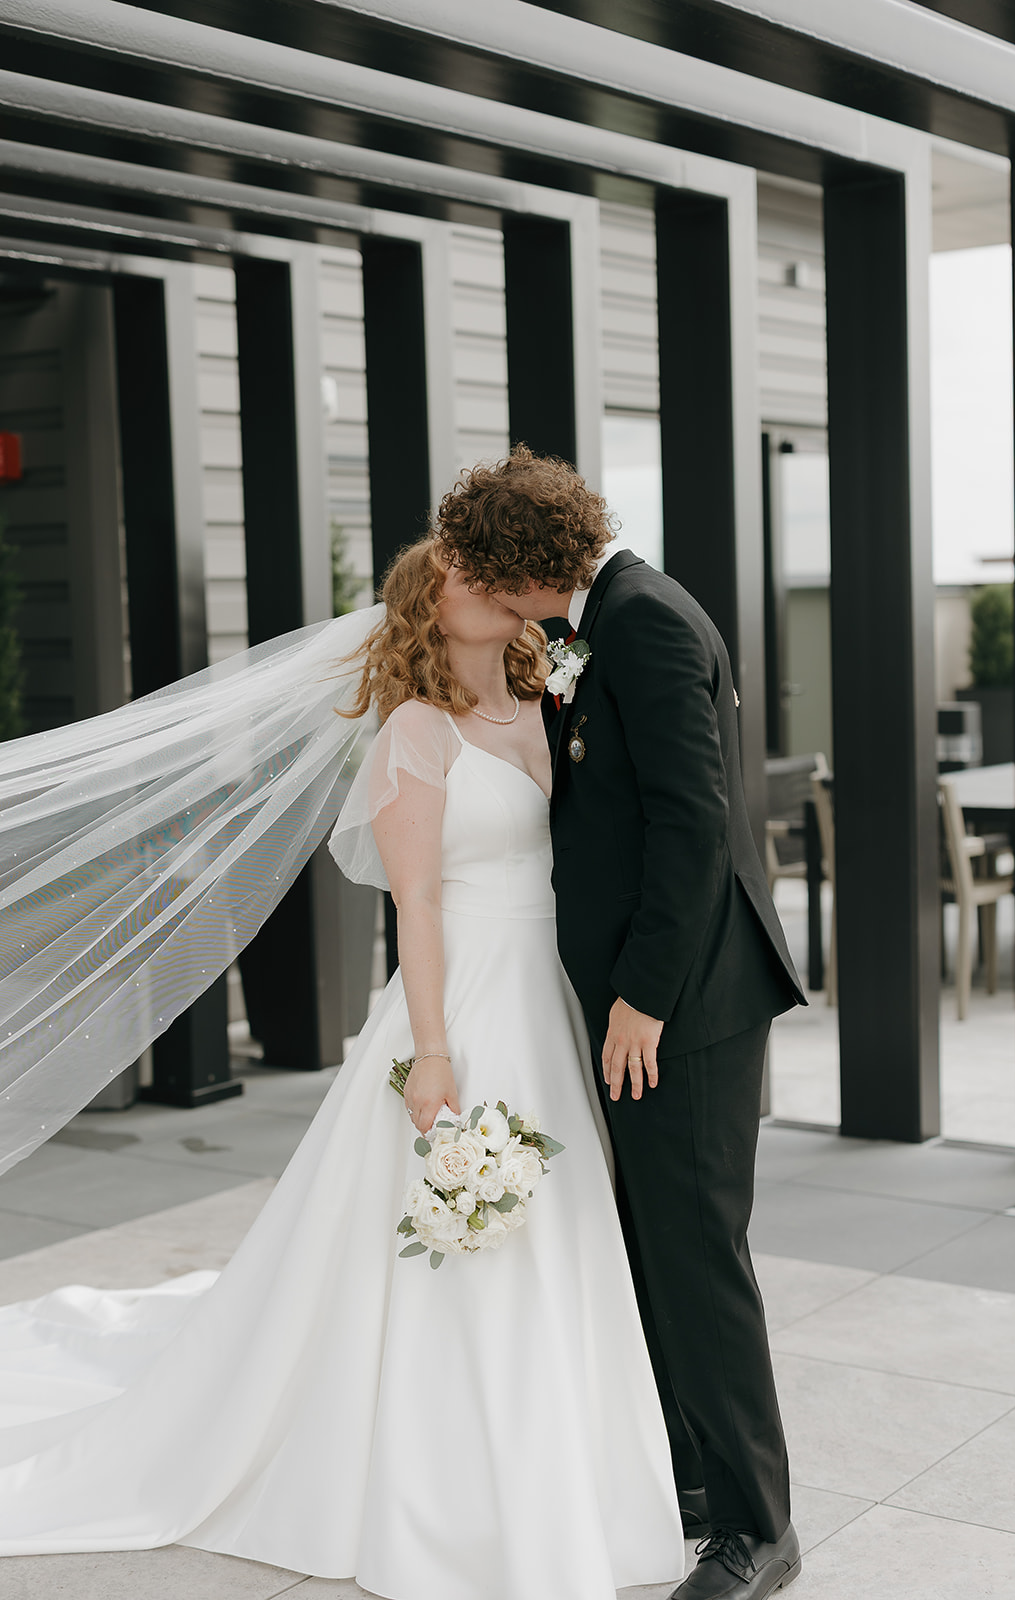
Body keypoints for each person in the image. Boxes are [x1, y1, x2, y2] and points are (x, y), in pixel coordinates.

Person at [0, 537, 687, 1598]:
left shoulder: (549, 702)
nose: (497, 587)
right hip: (463, 995)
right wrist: (433, 1053)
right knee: (452, 1236)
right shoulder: (414, 733)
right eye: (469, 576)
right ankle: (450, 1488)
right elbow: (414, 907)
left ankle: (573, 1460)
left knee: (559, 1227)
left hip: (546, 996)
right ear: (430, 605)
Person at [437, 445, 806, 1600]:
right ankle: (692, 1480)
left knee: (697, 1257)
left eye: (479, 566)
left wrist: (639, 997)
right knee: (654, 1245)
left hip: (680, 1004)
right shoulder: (611, 613)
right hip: (647, 998)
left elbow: (694, 830)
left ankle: (757, 1529)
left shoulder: (641, 619)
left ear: (516, 564)